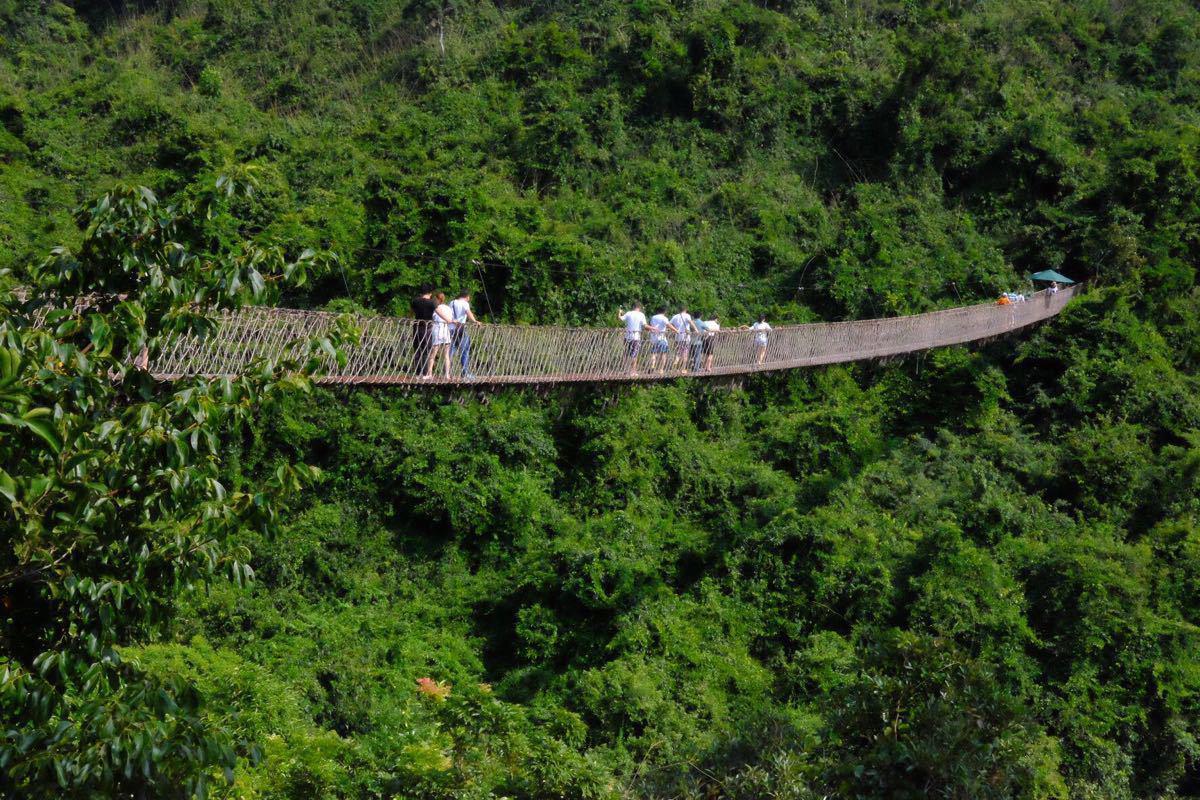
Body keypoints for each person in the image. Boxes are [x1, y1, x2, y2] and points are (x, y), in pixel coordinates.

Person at [425, 292, 456, 379]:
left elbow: (431, 317)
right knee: (446, 355)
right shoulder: (448, 308)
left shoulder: (435, 307)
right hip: (446, 329)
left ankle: (430, 374)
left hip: (437, 328)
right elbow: (450, 319)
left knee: (433, 354)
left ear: (437, 299)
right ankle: (447, 374)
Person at [449, 290, 479, 379]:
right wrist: (475, 321)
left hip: (451, 328)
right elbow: (468, 313)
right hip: (460, 329)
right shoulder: (465, 303)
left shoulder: (451, 302)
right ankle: (465, 373)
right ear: (467, 296)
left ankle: (447, 372)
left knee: (451, 351)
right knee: (465, 350)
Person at [411, 285, 436, 375]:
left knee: (417, 349)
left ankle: (418, 373)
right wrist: (450, 320)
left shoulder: (415, 301)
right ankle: (425, 373)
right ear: (429, 293)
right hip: (427, 328)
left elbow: (411, 312)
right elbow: (439, 312)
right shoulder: (431, 303)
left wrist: (407, 318)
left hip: (416, 327)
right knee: (426, 350)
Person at [618, 303, 648, 375]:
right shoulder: (641, 315)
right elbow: (645, 325)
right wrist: (653, 328)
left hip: (627, 337)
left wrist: (619, 312)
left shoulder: (628, 313)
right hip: (636, 338)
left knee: (626, 354)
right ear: (639, 307)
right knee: (634, 355)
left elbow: (620, 318)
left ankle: (625, 370)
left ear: (633, 307)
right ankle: (633, 371)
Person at [647, 306, 677, 375]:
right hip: (662, 338)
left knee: (654, 354)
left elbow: (650, 326)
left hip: (653, 338)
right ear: (665, 311)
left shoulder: (653, 317)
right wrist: (676, 330)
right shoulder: (664, 318)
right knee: (663, 354)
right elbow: (669, 325)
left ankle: (652, 366)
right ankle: (661, 369)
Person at [669, 306, 696, 372]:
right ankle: (683, 369)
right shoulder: (687, 315)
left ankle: (675, 365)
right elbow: (691, 322)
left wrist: (675, 330)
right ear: (686, 309)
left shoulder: (675, 316)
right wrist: (696, 329)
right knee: (685, 353)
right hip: (685, 338)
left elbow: (669, 324)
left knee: (678, 353)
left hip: (677, 337)